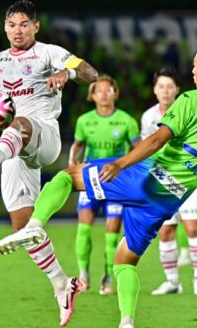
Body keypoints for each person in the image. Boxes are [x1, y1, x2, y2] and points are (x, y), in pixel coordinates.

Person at [0, 32, 197, 328]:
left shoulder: (192, 100)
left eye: (195, 67)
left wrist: (120, 163)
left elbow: (157, 140)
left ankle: (35, 226)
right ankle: (127, 322)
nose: (193, 72)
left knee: (68, 177)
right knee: (124, 261)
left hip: (145, 177)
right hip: (167, 201)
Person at [0, 0, 98, 326]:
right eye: (12, 24)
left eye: (24, 24)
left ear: (36, 26)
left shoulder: (50, 52)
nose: (18, 30)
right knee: (23, 227)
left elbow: (91, 73)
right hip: (13, 147)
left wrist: (66, 73)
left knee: (20, 122)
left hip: (42, 135)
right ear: (4, 27)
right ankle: (62, 284)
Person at [140, 66, 197, 296]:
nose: (165, 91)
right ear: (154, 90)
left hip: (189, 177)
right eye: (161, 86)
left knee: (192, 228)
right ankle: (173, 282)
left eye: (169, 87)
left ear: (177, 89)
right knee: (166, 232)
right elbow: (147, 149)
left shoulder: (190, 110)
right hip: (161, 180)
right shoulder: (148, 117)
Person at [69, 75, 140, 295]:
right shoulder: (84, 121)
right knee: (84, 227)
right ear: (92, 95)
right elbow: (78, 145)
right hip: (90, 180)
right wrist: (72, 162)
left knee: (112, 233)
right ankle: (83, 274)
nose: (103, 94)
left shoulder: (126, 120)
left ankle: (108, 277)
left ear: (115, 93)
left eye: (108, 90)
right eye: (99, 90)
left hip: (116, 182)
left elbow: (138, 147)